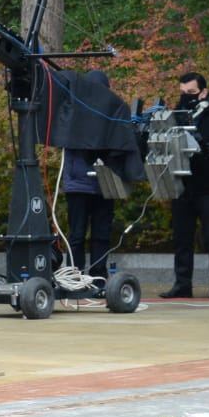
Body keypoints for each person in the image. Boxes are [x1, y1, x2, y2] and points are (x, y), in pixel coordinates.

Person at [160, 71, 209, 299]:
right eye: (183, 93)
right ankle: (182, 283)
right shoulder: (177, 115)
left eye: (192, 93)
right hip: (182, 183)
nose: (187, 98)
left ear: (204, 91)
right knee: (181, 238)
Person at [61, 70, 114, 287]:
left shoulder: (111, 115)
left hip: (104, 183)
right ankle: (75, 277)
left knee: (101, 234)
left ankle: (99, 277)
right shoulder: (74, 113)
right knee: (77, 235)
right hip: (79, 184)